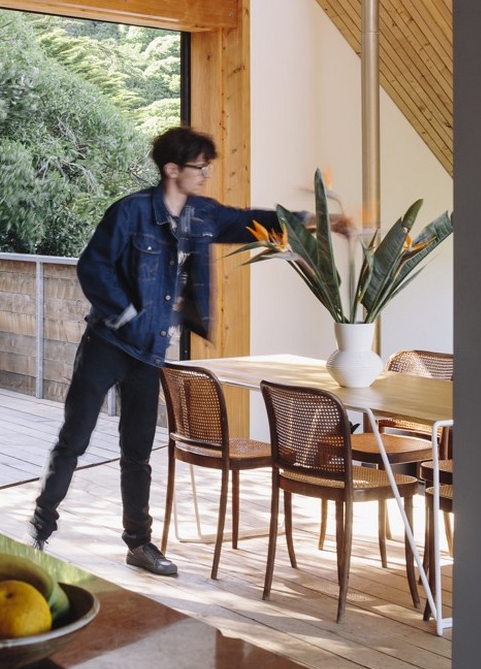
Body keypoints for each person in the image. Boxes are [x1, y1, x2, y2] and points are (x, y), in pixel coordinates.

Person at [29, 125, 302, 577]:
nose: (206, 175)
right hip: (107, 345)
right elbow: (93, 266)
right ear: (172, 169)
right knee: (74, 441)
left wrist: (313, 221)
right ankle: (40, 529)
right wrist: (127, 313)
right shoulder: (130, 212)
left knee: (137, 453)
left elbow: (251, 221)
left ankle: (139, 544)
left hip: (150, 353)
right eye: (199, 167)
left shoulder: (201, 215)